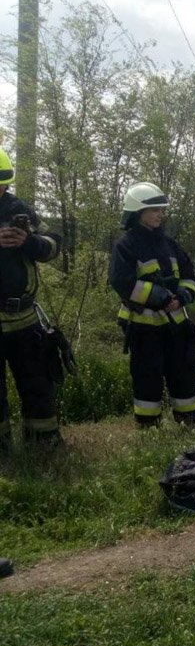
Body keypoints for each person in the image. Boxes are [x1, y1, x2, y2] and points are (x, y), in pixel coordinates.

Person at [108, 182, 195, 427]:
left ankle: (189, 422)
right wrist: (160, 297)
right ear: (138, 212)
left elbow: (190, 276)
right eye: (154, 210)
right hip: (143, 328)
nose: (160, 214)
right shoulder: (126, 245)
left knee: (184, 374)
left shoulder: (169, 243)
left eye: (161, 210)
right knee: (147, 377)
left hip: (176, 325)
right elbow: (122, 282)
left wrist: (182, 296)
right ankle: (148, 426)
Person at [0, 147, 63, 448]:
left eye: (2, 184)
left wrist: (29, 241)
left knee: (37, 384)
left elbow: (54, 245)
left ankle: (44, 444)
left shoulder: (19, 209)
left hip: (24, 319)